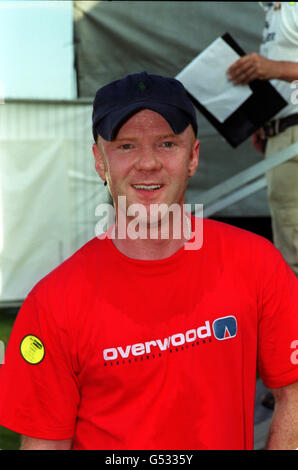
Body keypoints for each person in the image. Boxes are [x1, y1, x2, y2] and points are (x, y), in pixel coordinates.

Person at [0, 72, 297, 451]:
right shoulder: (53, 303)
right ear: (99, 162)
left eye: (167, 143)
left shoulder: (257, 264)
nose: (148, 163)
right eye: (126, 146)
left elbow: (294, 393)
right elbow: (45, 445)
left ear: (193, 156)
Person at [227, 1, 298, 278]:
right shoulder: (273, 9)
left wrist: (272, 68)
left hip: (293, 135)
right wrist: (266, 121)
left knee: (292, 252)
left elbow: (278, 69)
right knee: (288, 242)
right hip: (281, 133)